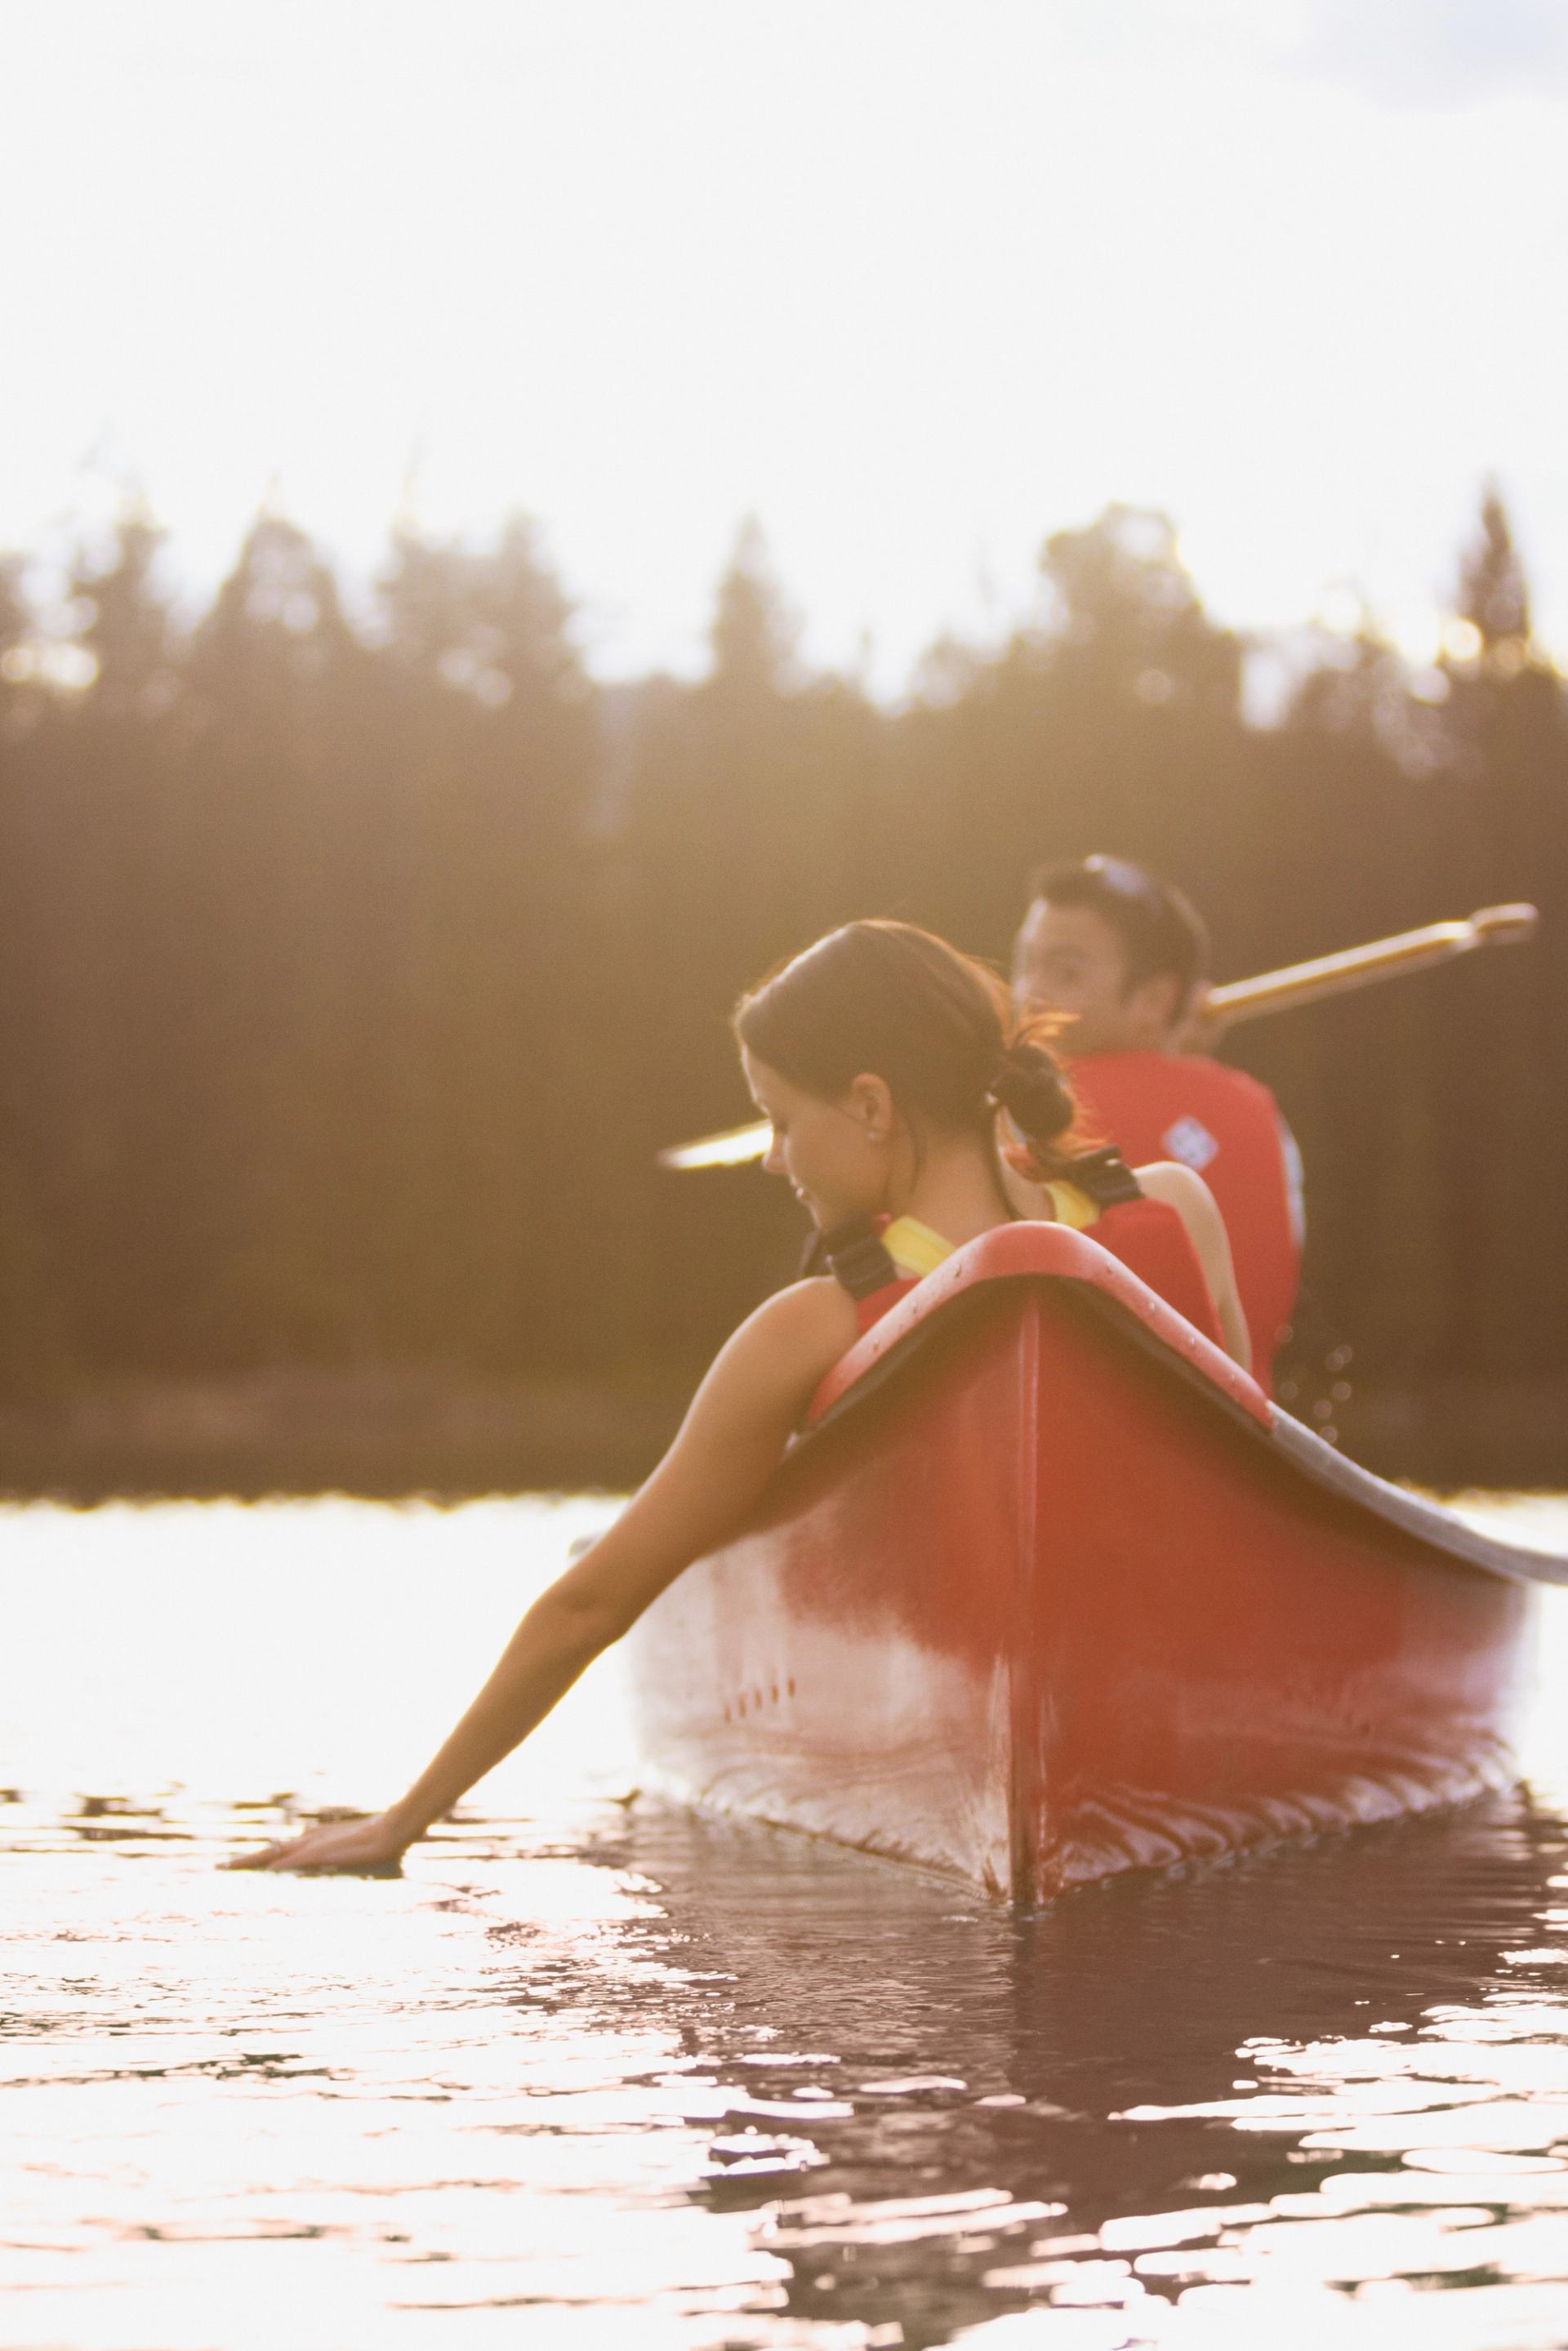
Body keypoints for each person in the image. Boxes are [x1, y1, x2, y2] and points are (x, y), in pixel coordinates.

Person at [234, 920, 1246, 1876]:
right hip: (1189, 1735)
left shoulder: (810, 1326)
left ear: (869, 1105)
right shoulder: (1171, 1210)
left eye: (780, 1119)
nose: (771, 1158)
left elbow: (593, 1599)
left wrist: (399, 1822)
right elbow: (1260, 1470)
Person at [1012, 855, 1303, 1391]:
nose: (1029, 993)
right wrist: (1166, 1047)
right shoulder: (1261, 1111)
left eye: (1065, 972)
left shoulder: (1018, 1109)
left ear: (1153, 999)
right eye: (1027, 964)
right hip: (1236, 1439)